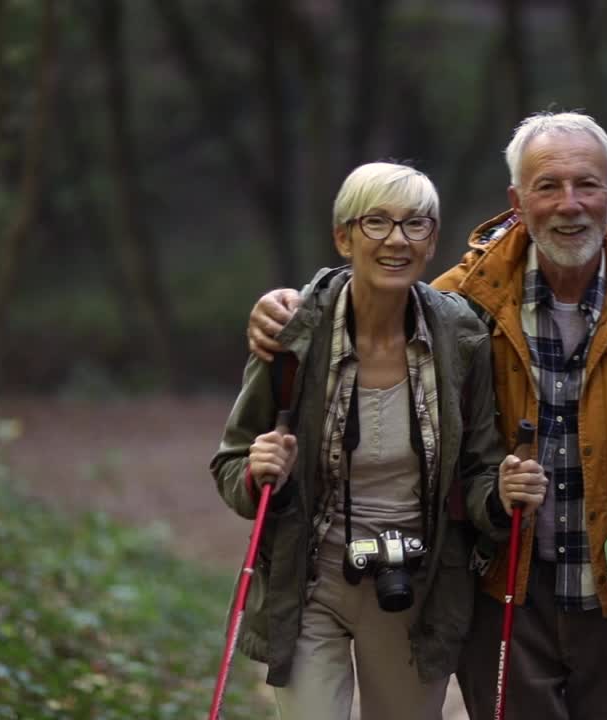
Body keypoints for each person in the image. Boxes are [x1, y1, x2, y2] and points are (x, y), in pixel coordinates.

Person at [246, 113, 607, 719]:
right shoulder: (463, 300)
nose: (569, 204)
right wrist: (285, 309)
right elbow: (372, 293)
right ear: (517, 199)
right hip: (503, 595)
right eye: (547, 186)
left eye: (587, 185)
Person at [210, 162, 510, 720]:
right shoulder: (295, 332)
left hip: (413, 588)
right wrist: (258, 471)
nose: (396, 240)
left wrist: (500, 497)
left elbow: (478, 472)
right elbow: (231, 463)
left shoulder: (462, 337)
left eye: (415, 225)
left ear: (432, 240)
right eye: (376, 222)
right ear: (343, 237)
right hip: (308, 580)